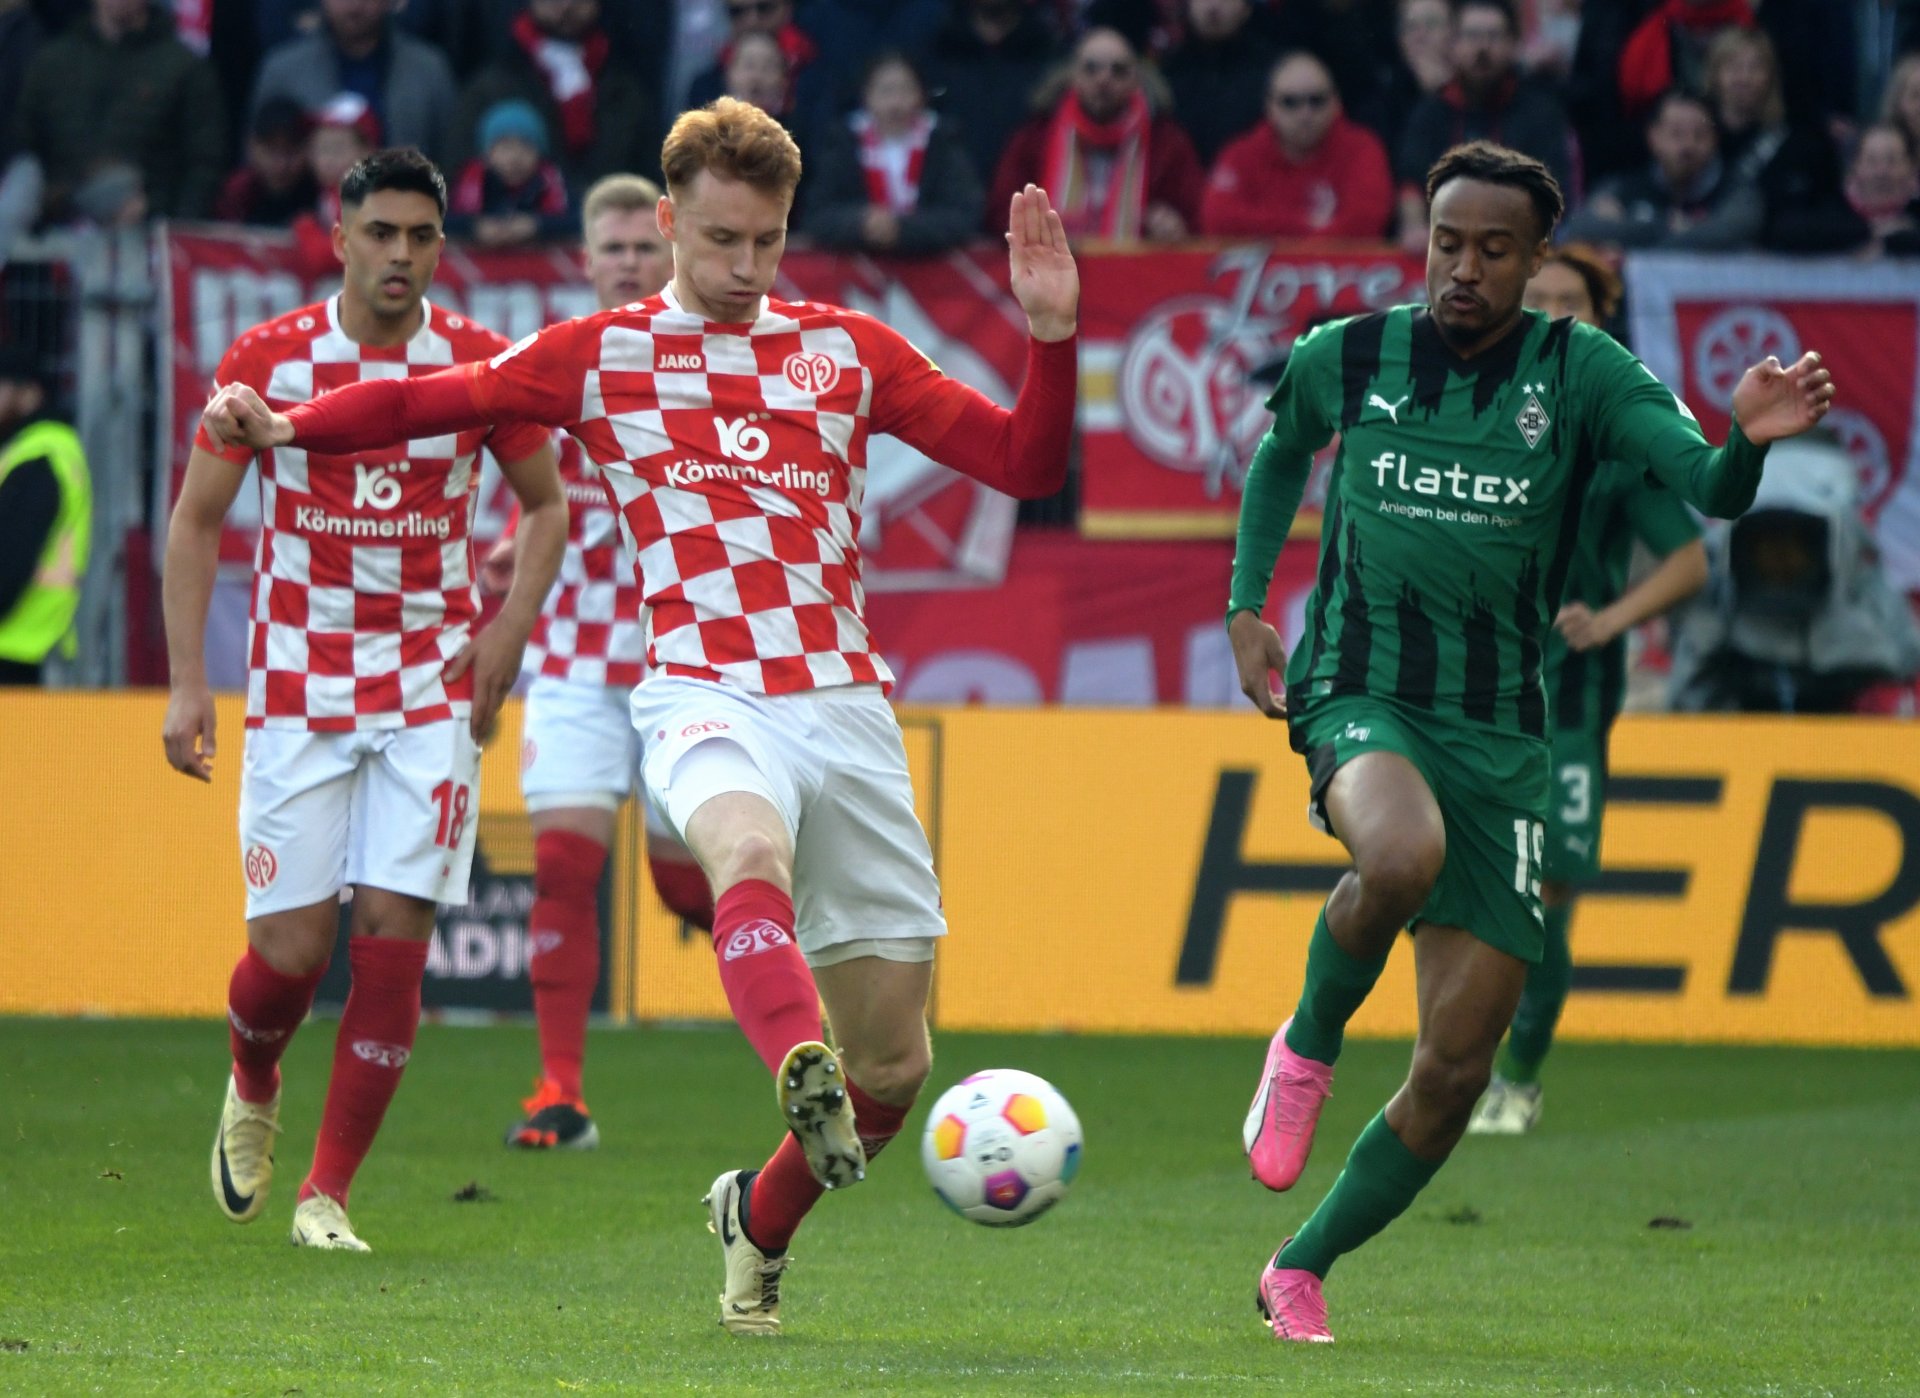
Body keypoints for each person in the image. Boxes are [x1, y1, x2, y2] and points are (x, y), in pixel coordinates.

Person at [197, 97, 1079, 1332]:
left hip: (844, 704)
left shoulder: (851, 350)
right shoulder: (601, 353)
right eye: (721, 240)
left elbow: (1027, 466)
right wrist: (291, 425)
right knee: (745, 853)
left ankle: (755, 1220)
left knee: (896, 1072)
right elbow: (422, 403)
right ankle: (790, 1062)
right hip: (702, 691)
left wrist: (1052, 339)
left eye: (767, 242)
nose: (744, 268)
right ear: (666, 222)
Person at [1226, 139, 1833, 1343]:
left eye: (1494, 251)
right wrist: (1249, 603)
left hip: (1503, 732)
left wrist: (1752, 438)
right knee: (1393, 857)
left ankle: (1299, 1269)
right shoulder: (1350, 353)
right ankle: (1303, 1047)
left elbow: (1709, 493)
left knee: (1455, 1071)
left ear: (1538, 257)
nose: (1464, 270)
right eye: (1448, 243)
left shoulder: (1586, 371)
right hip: (1364, 686)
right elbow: (1282, 450)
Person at [164, 149, 566, 1253]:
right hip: (298, 689)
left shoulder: (480, 364)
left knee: (394, 939)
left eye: (420, 236)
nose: (399, 255)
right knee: (289, 958)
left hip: (431, 692)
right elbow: (197, 518)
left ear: (442, 245)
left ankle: (326, 1194)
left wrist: (506, 629)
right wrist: (190, 680)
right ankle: (254, 1078)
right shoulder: (270, 359)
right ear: (339, 239)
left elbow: (547, 507)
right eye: (379, 233)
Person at [483, 172, 713, 1152]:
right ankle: (560, 1094)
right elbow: (535, 490)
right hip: (574, 658)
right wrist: (508, 549)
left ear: (671, 252)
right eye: (609, 249)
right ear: (585, 259)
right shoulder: (552, 365)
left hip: (686, 659)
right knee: (563, 868)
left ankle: (813, 1026)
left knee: (681, 888)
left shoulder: (711, 365)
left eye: (641, 248)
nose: (626, 263)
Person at [1466, 247, 1709, 1136]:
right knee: (1457, 884)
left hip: (1568, 701)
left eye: (1574, 301)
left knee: (1550, 888)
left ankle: (1518, 1080)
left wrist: (1610, 621)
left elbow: (1688, 559)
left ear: (1604, 318)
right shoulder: (1477, 415)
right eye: (1540, 300)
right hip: (1474, 689)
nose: (1556, 314)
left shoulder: (1615, 443)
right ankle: (1459, 1061)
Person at [10, 0, 226, 225]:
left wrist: (167, 221)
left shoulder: (185, 69)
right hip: (58, 236)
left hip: (148, 235)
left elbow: (204, 163)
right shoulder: (52, 63)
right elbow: (23, 149)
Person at [989, 26, 1206, 243]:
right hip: (1053, 269)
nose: (1104, 80)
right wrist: (1030, 227)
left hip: (1139, 270)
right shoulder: (1034, 137)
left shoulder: (1168, 142)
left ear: (1136, 80)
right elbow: (1001, 212)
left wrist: (1175, 227)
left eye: (1118, 70)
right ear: (1073, 76)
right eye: (1091, 69)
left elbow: (1198, 218)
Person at [1395, 0, 1576, 251]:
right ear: (1453, 44)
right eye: (1471, 36)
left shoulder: (1540, 113)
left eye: (1494, 36)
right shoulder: (1431, 112)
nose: (1482, 48)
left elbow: (1552, 190)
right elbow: (1411, 184)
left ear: (1514, 45)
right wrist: (1414, 227)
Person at [450, 0, 661, 193]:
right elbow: (458, 183)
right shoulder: (489, 90)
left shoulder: (626, 90)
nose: (567, 5)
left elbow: (651, 183)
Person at [801, 50, 984, 254]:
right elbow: (817, 215)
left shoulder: (943, 141)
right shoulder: (843, 142)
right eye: (886, 91)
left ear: (921, 96)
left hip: (929, 268)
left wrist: (902, 229)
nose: (896, 103)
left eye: (905, 90)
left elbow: (963, 215)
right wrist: (861, 223)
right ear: (866, 96)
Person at [1200, 50, 1395, 240]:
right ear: (1270, 106)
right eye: (1290, 102)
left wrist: (1266, 229)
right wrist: (1307, 224)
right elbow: (1217, 218)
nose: (1305, 114)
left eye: (1316, 101)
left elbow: (1366, 223)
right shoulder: (1240, 153)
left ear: (1336, 103)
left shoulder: (1362, 148)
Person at [251, 0, 458, 162]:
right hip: (304, 212)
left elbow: (449, 162)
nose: (355, 5)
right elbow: (256, 158)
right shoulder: (282, 70)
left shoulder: (428, 69)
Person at [1559, 87, 1763, 250]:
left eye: (1700, 135)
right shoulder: (1624, 187)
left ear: (1715, 139)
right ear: (1653, 136)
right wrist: (1666, 225)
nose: (1688, 146)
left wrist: (1627, 228)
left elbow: (1731, 231)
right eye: (1676, 134)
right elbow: (1580, 226)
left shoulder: (1736, 191)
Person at [0, 344, 90, 686]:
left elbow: (8, 566)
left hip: (17, 655)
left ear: (29, 394)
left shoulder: (40, 456)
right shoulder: (34, 450)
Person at [446, 99, 573, 247]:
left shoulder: (551, 182)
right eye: (505, 147)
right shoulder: (469, 181)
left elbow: (581, 220)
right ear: (487, 154)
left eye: (526, 147)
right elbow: (438, 222)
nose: (515, 158)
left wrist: (536, 225)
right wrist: (474, 227)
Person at [217, 97, 319, 228]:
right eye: (270, 151)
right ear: (251, 146)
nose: (281, 166)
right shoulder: (237, 193)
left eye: (291, 151)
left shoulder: (322, 198)